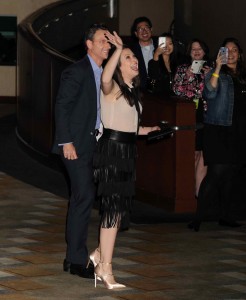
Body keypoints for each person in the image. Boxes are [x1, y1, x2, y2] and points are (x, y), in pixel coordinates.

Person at [88, 31, 160, 289]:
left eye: (133, 56)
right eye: (128, 57)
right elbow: (105, 76)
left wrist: (148, 130)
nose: (134, 60)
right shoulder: (112, 87)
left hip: (127, 152)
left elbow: (128, 126)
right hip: (112, 152)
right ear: (119, 64)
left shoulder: (131, 91)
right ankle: (105, 268)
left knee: (117, 212)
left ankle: (99, 255)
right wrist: (117, 49)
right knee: (113, 211)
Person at [52, 23, 111, 278]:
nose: (107, 45)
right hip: (75, 145)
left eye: (108, 41)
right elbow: (62, 106)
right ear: (89, 44)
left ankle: (73, 258)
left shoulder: (106, 72)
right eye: (102, 40)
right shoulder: (76, 71)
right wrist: (66, 142)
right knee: (83, 197)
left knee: (85, 197)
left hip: (96, 143)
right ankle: (76, 260)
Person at [188, 37, 246, 231]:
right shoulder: (215, 73)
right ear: (220, 54)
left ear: (240, 55)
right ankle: (198, 217)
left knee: (231, 174)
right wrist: (217, 69)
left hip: (239, 130)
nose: (230, 53)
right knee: (215, 173)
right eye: (226, 50)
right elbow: (210, 93)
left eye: (234, 50)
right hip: (219, 130)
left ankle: (225, 215)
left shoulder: (245, 75)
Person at [172, 39, 211, 198]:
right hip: (188, 115)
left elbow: (214, 93)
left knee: (204, 155)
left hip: (207, 115)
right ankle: (187, 191)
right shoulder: (182, 69)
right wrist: (188, 76)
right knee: (192, 154)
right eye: (193, 49)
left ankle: (199, 193)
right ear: (189, 52)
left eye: (199, 48)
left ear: (204, 51)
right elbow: (176, 90)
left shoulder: (212, 69)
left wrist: (210, 78)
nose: (196, 51)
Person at [130, 16, 158, 90]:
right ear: (136, 33)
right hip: (139, 90)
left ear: (151, 29)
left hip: (160, 90)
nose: (144, 31)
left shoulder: (160, 46)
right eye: (140, 29)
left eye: (146, 28)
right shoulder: (131, 50)